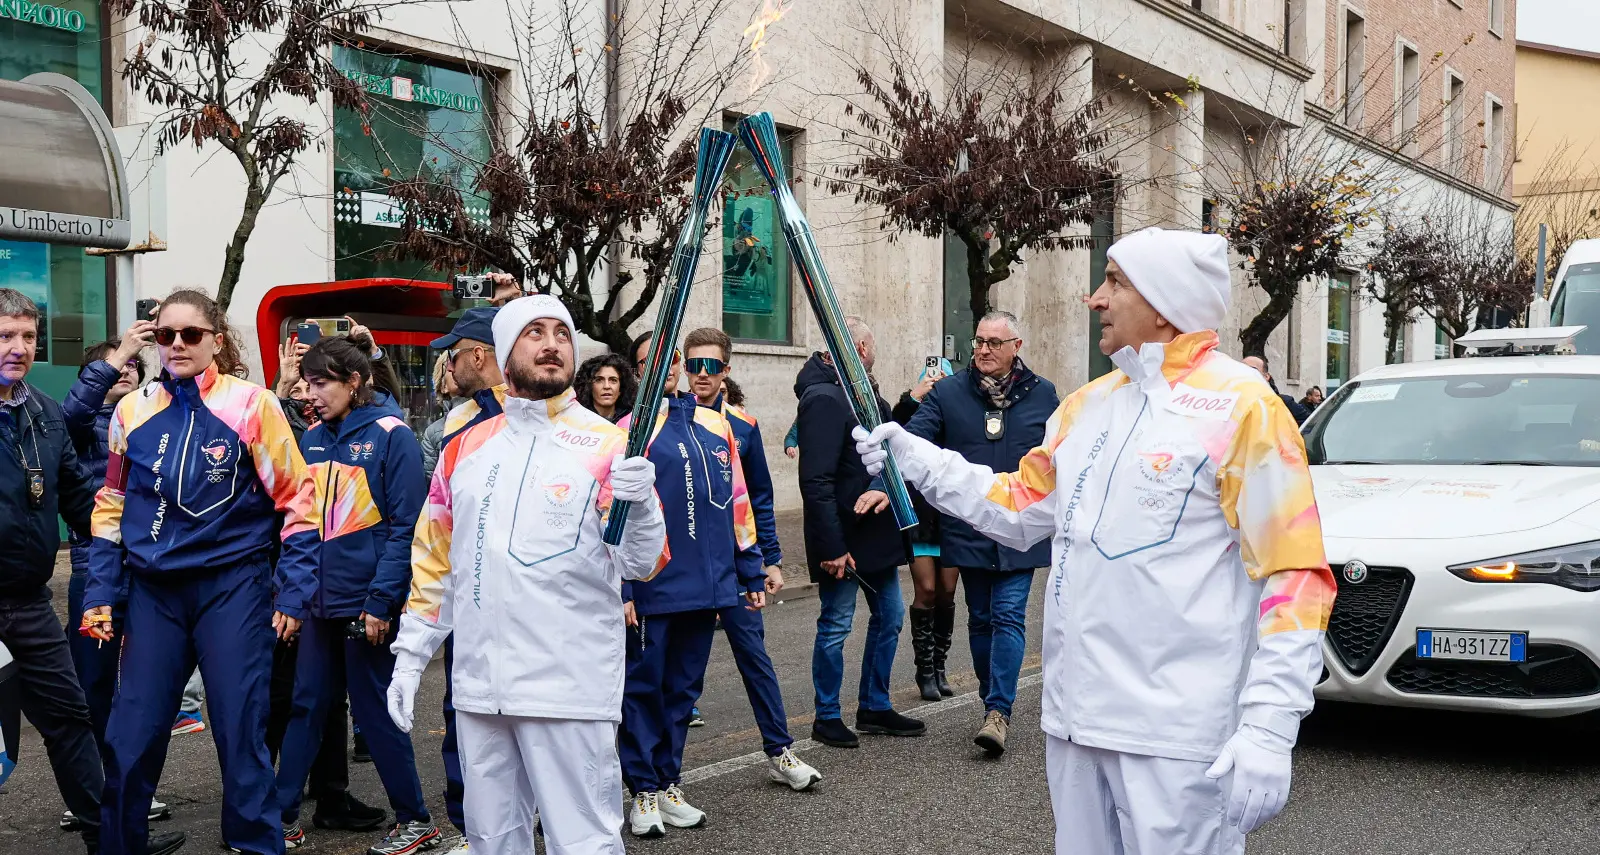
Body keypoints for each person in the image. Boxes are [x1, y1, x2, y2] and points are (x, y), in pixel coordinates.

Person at [854, 227, 1336, 854]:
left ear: (1162, 303)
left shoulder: (1244, 408)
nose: (1095, 298)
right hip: (1076, 720)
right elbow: (1016, 505)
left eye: (1115, 282)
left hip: (1176, 732)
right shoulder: (1088, 407)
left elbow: (1295, 574)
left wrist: (1271, 724)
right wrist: (915, 457)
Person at [387, 294, 665, 855]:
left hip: (569, 685)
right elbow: (436, 560)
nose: (551, 344)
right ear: (505, 351)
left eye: (561, 334)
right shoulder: (461, 449)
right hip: (480, 689)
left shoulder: (610, 446)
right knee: (492, 840)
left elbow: (641, 562)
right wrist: (411, 655)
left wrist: (643, 508)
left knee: (583, 842)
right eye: (534, 333)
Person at [84, 288, 319, 855]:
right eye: (167, 335)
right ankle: (121, 846)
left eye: (192, 334)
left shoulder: (253, 405)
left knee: (242, 732)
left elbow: (298, 500)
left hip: (232, 587)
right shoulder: (130, 410)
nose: (179, 345)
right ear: (156, 341)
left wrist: (292, 593)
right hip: (153, 594)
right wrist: (100, 592)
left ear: (217, 338)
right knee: (130, 736)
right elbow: (111, 504)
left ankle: (255, 845)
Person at [0, 290, 184, 855]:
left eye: (28, 337)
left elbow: (85, 503)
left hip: (28, 601)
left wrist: (155, 534)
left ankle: (111, 841)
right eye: (6, 336)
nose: (19, 348)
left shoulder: (42, 414)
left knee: (69, 717)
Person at [271, 337, 437, 854]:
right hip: (319, 604)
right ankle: (278, 819)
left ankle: (416, 821)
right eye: (309, 383)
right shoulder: (314, 437)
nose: (311, 394)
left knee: (375, 712)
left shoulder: (394, 436)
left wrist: (380, 602)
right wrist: (293, 600)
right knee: (306, 706)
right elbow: (297, 528)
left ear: (355, 382)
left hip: (366, 606)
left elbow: (406, 528)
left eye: (322, 383)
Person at [618, 330, 772, 837]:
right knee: (644, 690)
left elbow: (739, 504)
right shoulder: (627, 430)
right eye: (651, 361)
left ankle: (667, 782)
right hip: (653, 586)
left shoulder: (717, 425)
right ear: (638, 372)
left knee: (683, 691)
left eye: (673, 360)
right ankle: (641, 790)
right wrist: (622, 588)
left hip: (707, 585)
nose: (665, 368)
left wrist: (750, 568)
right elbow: (608, 515)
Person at [904, 310, 1059, 756]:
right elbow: (914, 442)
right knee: (981, 618)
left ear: (1016, 347)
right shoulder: (949, 393)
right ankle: (992, 696)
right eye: (979, 342)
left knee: (1009, 614)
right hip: (969, 525)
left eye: (994, 343)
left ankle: (998, 711)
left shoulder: (1043, 394)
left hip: (1020, 529)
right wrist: (883, 485)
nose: (984, 350)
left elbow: (1064, 450)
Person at [681, 328, 822, 791]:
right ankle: (663, 778)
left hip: (738, 569)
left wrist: (771, 561)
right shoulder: (668, 420)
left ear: (726, 369)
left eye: (711, 366)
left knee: (755, 660)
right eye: (693, 365)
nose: (701, 374)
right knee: (683, 674)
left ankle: (780, 751)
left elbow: (759, 498)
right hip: (686, 571)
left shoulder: (744, 426)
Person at [61, 331, 180, 832]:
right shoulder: (82, 428)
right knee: (91, 689)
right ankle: (92, 795)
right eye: (118, 367)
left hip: (151, 571)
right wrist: (118, 356)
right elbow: (72, 413)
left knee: (143, 690)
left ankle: (130, 790)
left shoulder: (151, 422)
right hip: (95, 570)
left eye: (135, 367)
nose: (129, 372)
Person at [795, 317, 924, 749]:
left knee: (890, 617)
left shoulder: (862, 393)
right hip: (845, 538)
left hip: (876, 536)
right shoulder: (824, 398)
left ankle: (874, 706)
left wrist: (880, 488)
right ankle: (826, 716)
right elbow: (816, 481)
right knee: (836, 625)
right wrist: (832, 546)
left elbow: (884, 458)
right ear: (862, 348)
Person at [424, 305, 505, 849]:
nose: (447, 367)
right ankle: (471, 824)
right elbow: (434, 522)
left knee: (523, 714)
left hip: (527, 601)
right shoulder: (454, 423)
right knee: (464, 711)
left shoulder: (540, 413)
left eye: (453, 356)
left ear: (480, 355)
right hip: (468, 599)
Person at [890, 357, 957, 703]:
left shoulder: (957, 411)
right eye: (931, 379)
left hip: (951, 515)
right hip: (918, 516)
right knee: (927, 591)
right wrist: (913, 397)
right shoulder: (913, 412)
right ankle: (925, 671)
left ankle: (941, 665)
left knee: (947, 593)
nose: (937, 384)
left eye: (943, 379)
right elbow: (894, 433)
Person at [418, 352, 461, 477]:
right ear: (443, 386)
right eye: (451, 365)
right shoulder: (433, 433)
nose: (457, 369)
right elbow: (430, 483)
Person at [1242, 355, 1310, 426]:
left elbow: (1311, 426)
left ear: (1266, 376)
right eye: (1241, 369)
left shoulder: (1284, 403)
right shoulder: (1233, 403)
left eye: (1252, 369)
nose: (1245, 373)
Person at [575, 353, 636, 423]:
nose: (606, 386)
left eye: (613, 380)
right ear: (588, 386)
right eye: (599, 380)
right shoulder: (577, 420)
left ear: (621, 388)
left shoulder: (632, 421)